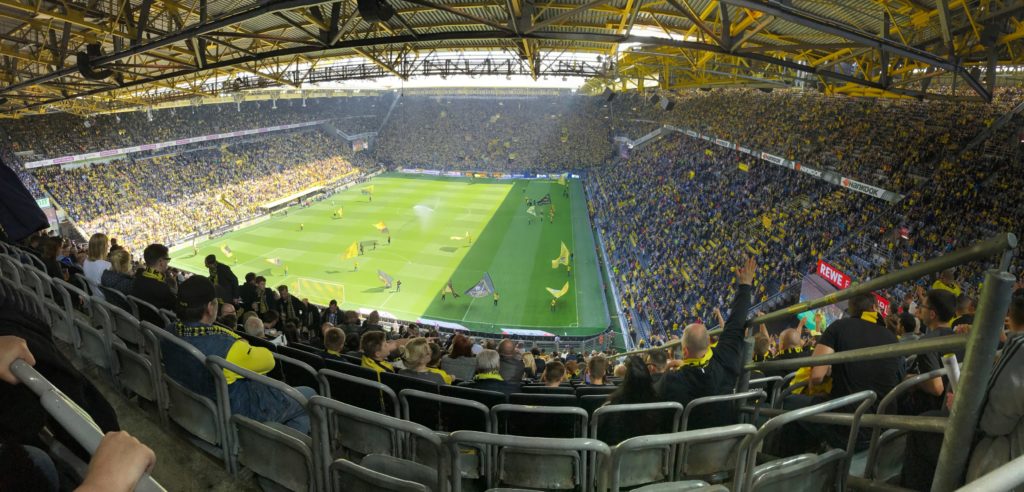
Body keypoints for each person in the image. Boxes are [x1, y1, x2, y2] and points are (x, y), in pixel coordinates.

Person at [162, 276, 315, 433]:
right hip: (237, 411)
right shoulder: (229, 346)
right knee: (309, 395)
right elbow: (269, 361)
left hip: (196, 407)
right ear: (210, 307)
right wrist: (237, 338)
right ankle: (279, 449)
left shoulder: (168, 331)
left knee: (297, 414)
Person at [782, 292, 901, 454]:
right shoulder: (893, 339)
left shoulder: (839, 327)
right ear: (874, 308)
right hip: (879, 430)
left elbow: (817, 376)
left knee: (788, 401)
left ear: (851, 309)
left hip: (844, 426)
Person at [658, 257, 756, 430]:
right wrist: (745, 286)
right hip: (726, 441)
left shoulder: (673, 380)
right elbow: (735, 324)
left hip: (687, 451)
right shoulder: (725, 358)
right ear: (708, 344)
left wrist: (664, 372)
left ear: (685, 352)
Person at [902, 289, 962, 416]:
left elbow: (936, 388)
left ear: (932, 314)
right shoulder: (959, 338)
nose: (920, 309)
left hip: (932, 412)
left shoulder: (928, 342)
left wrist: (912, 379)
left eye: (922, 306)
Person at [131, 243, 176, 313]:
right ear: (161, 262)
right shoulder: (163, 288)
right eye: (167, 259)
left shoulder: (137, 279)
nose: (167, 262)